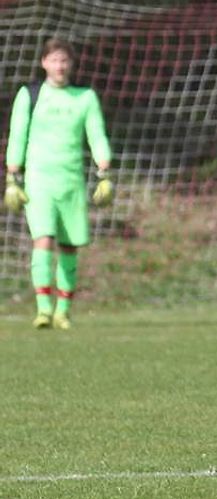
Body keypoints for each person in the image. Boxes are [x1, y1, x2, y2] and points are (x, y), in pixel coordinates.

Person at [4, 38, 114, 330]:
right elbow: (18, 134)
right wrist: (12, 174)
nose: (59, 66)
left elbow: (96, 134)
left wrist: (104, 169)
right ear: (44, 63)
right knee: (42, 238)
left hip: (72, 181)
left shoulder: (85, 97)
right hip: (38, 180)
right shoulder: (29, 94)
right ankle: (43, 309)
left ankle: (63, 311)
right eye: (54, 60)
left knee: (68, 246)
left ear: (71, 64)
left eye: (64, 60)